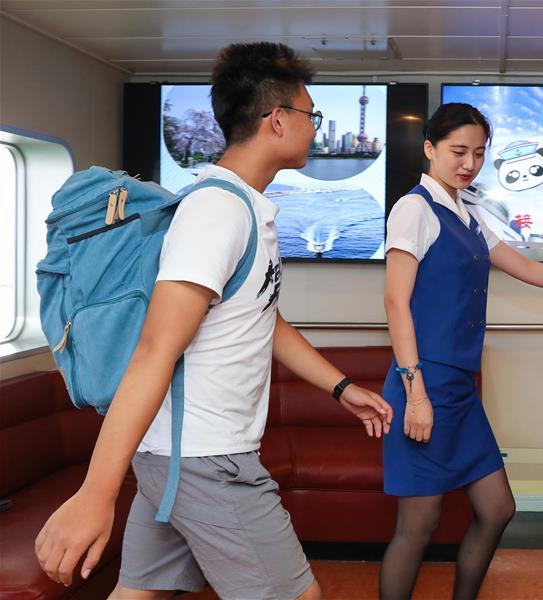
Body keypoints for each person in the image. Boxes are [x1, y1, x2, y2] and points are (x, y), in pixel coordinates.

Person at [34, 42, 393, 600]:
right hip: (205, 458)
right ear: (277, 120)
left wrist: (340, 387)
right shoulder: (217, 211)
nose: (315, 127)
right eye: (310, 114)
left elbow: (261, 316)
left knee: (138, 595)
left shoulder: (245, 207)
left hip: (182, 452)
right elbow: (156, 348)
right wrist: (96, 492)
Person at [379, 103, 543, 600]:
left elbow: (521, 265)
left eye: (479, 153)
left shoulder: (469, 211)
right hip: (424, 384)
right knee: (418, 525)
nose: (469, 163)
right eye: (458, 151)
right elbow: (396, 302)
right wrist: (415, 392)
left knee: (498, 508)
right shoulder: (413, 208)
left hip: (458, 389)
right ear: (430, 148)